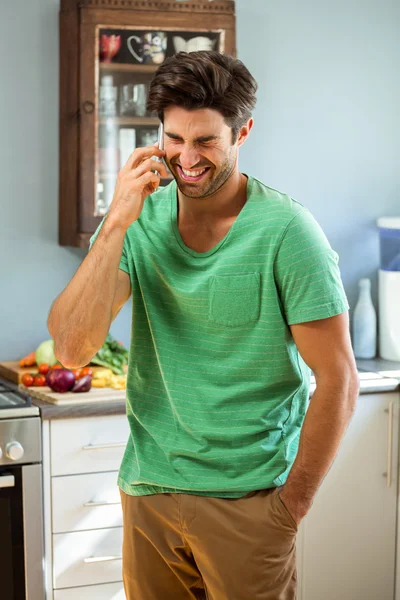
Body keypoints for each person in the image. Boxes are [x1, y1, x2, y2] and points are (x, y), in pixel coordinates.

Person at [48, 51, 359, 600]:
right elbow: (73, 348)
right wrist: (117, 217)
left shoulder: (288, 233)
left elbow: (339, 380)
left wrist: (290, 507)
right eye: (174, 138)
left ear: (243, 132)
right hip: (148, 492)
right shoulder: (137, 219)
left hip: (250, 502)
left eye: (206, 141)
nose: (186, 158)